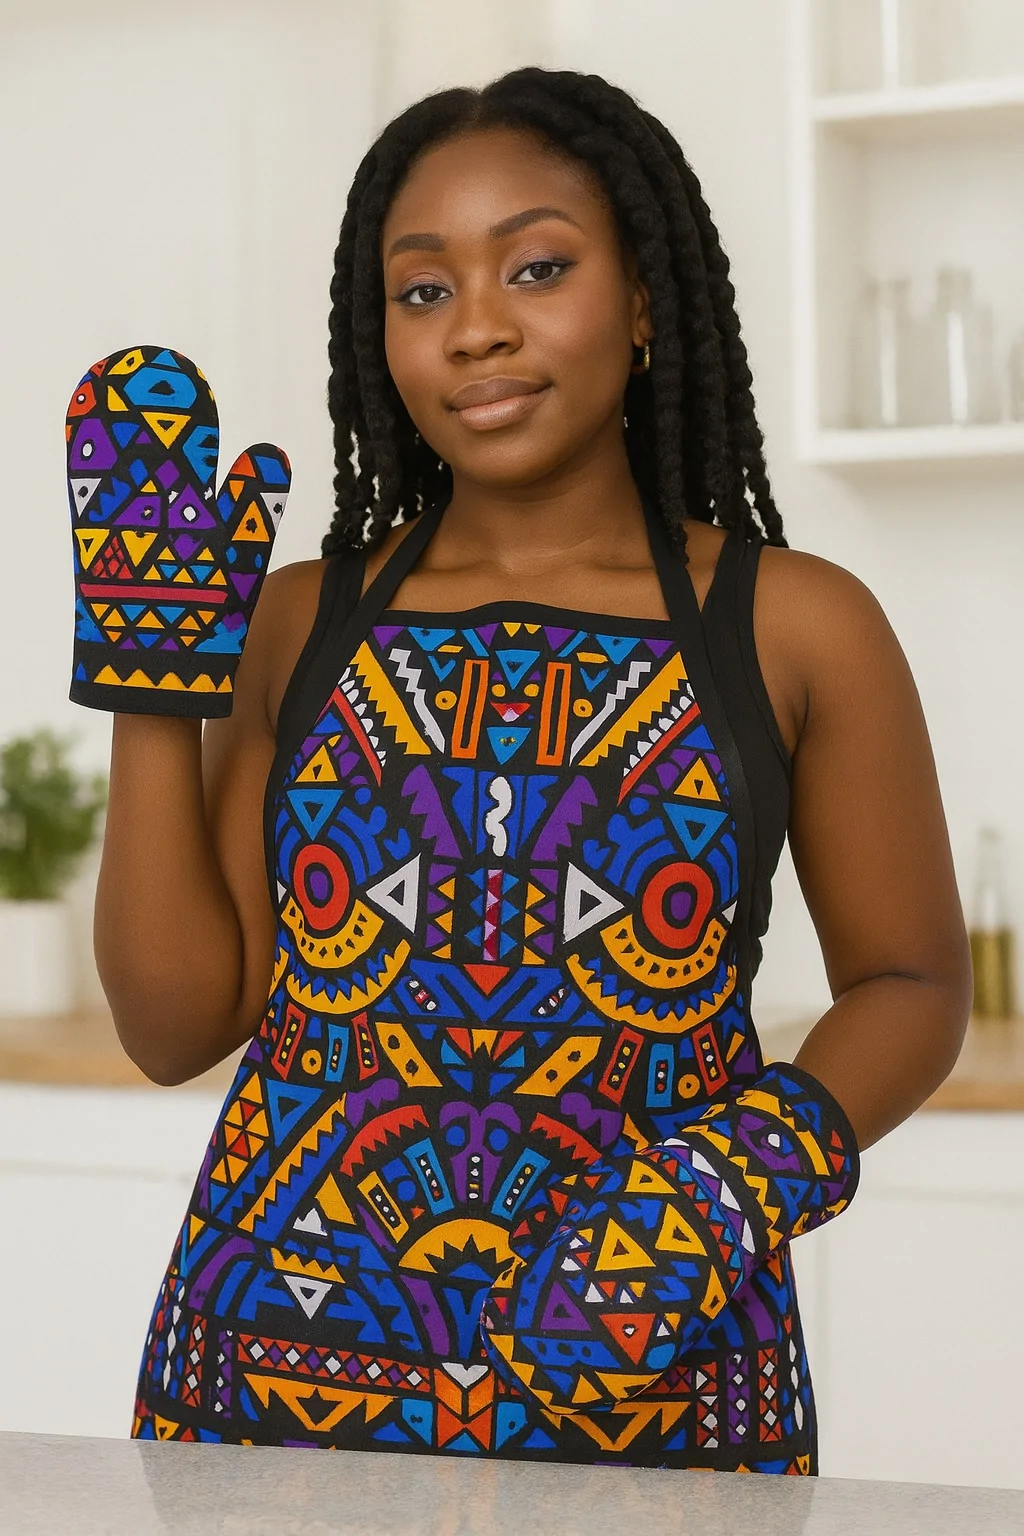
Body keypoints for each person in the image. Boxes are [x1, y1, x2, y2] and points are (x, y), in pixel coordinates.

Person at [75, 68, 970, 1472]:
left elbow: (914, 987)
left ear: (644, 301)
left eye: (537, 268)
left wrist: (721, 1194)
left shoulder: (798, 624)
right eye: (422, 292)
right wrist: (146, 683)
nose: (477, 327)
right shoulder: (305, 620)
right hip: (271, 1371)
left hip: (657, 1369)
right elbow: (177, 1025)